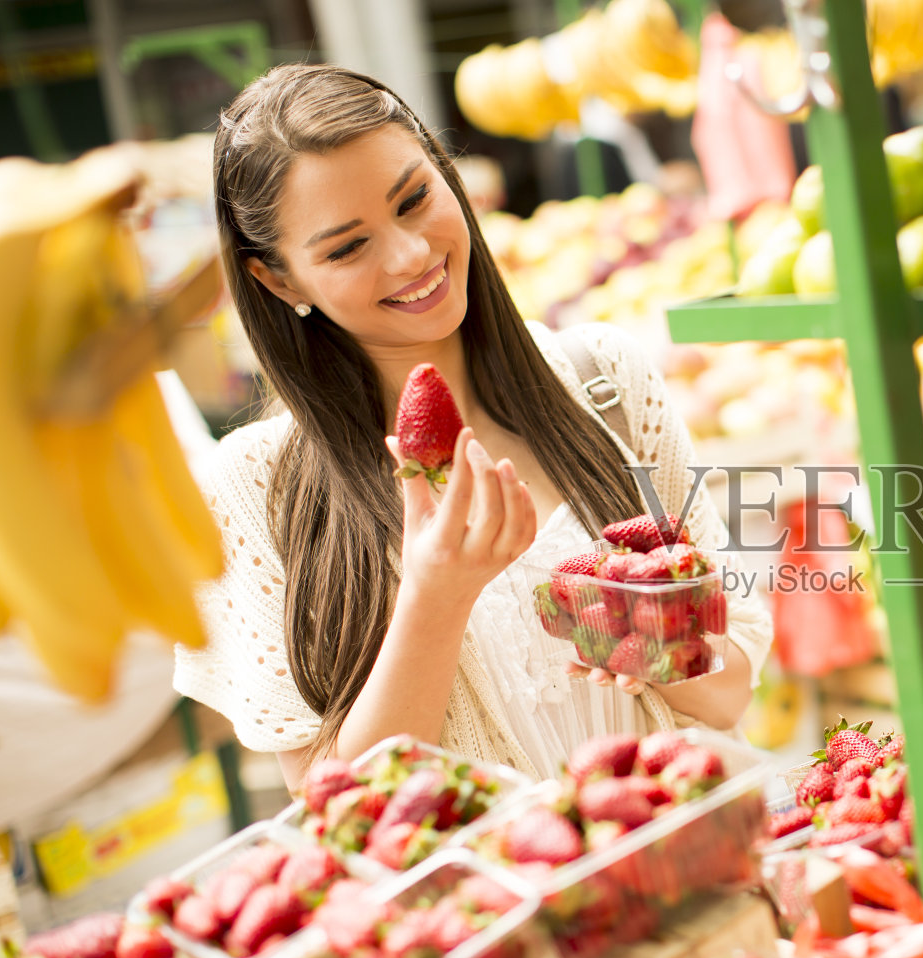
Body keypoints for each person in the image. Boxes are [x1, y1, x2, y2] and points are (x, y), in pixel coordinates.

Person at [175, 64, 772, 793]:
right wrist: (435, 594)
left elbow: (729, 691)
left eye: (415, 199)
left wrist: (638, 634)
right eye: (345, 248)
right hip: (489, 903)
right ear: (279, 279)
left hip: (697, 871)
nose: (411, 255)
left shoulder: (604, 382)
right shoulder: (254, 490)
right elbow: (334, 807)